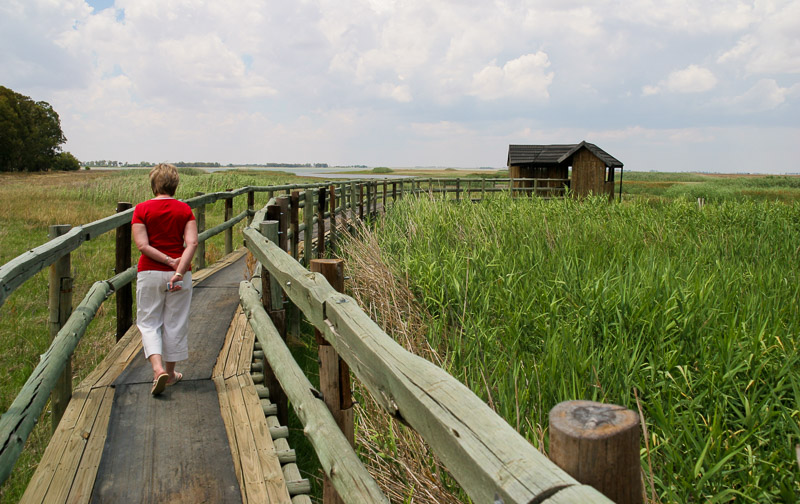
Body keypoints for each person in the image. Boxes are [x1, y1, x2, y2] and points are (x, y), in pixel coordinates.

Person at [132, 163, 198, 395]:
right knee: (175, 322)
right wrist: (178, 267)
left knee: (149, 322)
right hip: (179, 275)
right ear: (175, 184)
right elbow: (192, 243)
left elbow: (142, 245)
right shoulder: (185, 210)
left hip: (149, 272)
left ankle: (157, 368)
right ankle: (170, 374)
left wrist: (167, 261)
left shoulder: (141, 210)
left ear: (153, 184)